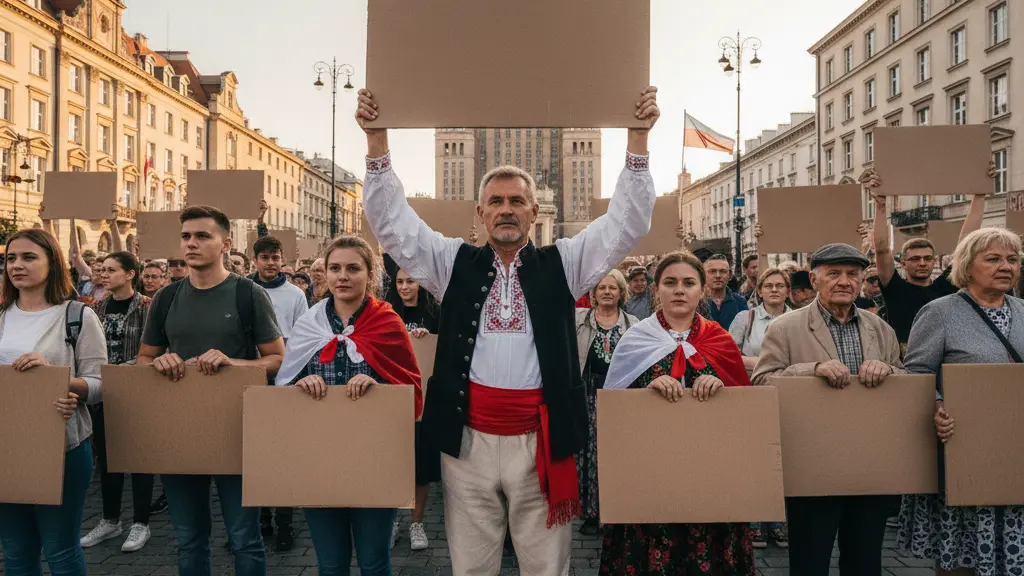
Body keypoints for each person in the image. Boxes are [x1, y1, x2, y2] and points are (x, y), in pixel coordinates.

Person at [357, 84, 660, 575]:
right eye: (495, 201)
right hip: (468, 440)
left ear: (533, 212)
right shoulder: (451, 263)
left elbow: (624, 226)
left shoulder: (564, 262)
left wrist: (638, 140)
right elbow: (393, 226)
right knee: (472, 566)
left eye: (516, 201)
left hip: (541, 441)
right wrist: (377, 141)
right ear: (480, 214)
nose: (506, 209)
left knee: (546, 566)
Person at [136, 206, 285, 576]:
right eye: (186, 236)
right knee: (189, 537)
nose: (191, 243)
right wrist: (158, 363)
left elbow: (278, 359)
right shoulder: (166, 299)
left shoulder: (248, 294)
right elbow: (143, 358)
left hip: (239, 431)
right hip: (181, 430)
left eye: (202, 236)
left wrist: (235, 364)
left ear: (225, 244)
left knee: (244, 538)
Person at [752, 243, 904, 576]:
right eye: (834, 274)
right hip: (812, 462)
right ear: (815, 279)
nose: (844, 282)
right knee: (810, 559)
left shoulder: (881, 329)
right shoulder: (785, 328)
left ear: (863, 279)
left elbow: (905, 384)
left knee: (865, 561)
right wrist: (811, 369)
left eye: (853, 274)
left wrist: (889, 371)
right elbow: (762, 382)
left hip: (869, 462)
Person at [275, 236, 423, 576]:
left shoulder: (388, 323)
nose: (343, 276)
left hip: (375, 459)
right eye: (335, 268)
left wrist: (380, 388)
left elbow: (411, 395)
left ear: (369, 275)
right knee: (330, 563)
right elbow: (280, 395)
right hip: (319, 459)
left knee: (374, 562)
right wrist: (299, 385)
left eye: (353, 268)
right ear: (325, 274)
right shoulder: (309, 324)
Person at [600, 251, 754, 575]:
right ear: (658, 290)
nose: (679, 290)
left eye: (688, 283)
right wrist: (647, 390)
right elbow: (614, 413)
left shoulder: (721, 340)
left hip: (710, 475)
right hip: (650, 474)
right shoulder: (635, 340)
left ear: (701, 290)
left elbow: (746, 415)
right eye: (670, 282)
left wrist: (720, 387)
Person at [898, 227, 1024, 575]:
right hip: (964, 451)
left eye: (1012, 260)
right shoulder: (940, 312)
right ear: (968, 266)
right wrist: (937, 406)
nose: (1005, 266)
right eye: (994, 259)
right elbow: (917, 374)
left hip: (1016, 452)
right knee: (961, 555)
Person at [0, 229, 107, 576]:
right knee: (15, 552)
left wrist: (58, 381)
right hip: (6, 446)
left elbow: (101, 384)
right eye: (11, 258)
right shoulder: (1, 316)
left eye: (29, 257)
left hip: (63, 446)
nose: (17, 265)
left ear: (53, 263)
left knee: (60, 548)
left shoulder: (77, 315)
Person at [865, 163, 992, 356]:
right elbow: (882, 249)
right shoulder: (894, 287)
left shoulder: (946, 286)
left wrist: (979, 195)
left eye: (927, 258)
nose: (922, 263)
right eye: (915, 259)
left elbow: (967, 242)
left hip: (946, 356)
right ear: (903, 263)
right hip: (904, 358)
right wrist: (880, 205)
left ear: (934, 261)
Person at [80, 251, 155, 553]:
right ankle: (111, 520)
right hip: (102, 392)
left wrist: (129, 367)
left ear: (129, 274)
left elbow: (158, 347)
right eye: (102, 270)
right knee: (108, 458)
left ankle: (141, 522)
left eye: (112, 270)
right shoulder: (95, 308)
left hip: (137, 392)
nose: (104, 275)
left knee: (138, 458)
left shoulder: (147, 307)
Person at [247, 235, 308, 551]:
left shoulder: (295, 294)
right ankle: (261, 519)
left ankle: (285, 522)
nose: (270, 263)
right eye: (264, 258)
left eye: (275, 257)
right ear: (254, 260)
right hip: (249, 377)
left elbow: (301, 338)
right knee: (254, 454)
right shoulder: (242, 291)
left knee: (283, 454)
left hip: (284, 379)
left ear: (282, 260)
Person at [728, 267, 791, 548]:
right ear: (760, 290)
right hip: (752, 394)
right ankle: (753, 522)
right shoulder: (746, 317)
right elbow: (729, 354)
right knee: (753, 457)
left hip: (789, 395)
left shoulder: (799, 319)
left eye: (780, 285)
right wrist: (763, 364)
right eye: (769, 285)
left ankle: (778, 523)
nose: (775, 290)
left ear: (787, 291)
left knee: (782, 458)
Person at [573, 270, 638, 536]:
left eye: (613, 287)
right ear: (593, 293)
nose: (607, 292)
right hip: (587, 392)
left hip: (620, 395)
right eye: (602, 287)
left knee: (616, 452)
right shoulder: (578, 319)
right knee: (588, 453)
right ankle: (590, 513)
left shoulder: (633, 323)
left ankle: (615, 510)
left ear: (622, 293)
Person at [703, 253, 749, 328]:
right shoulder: (696, 302)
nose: (718, 276)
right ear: (703, 275)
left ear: (730, 275)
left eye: (723, 271)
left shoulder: (740, 302)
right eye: (712, 271)